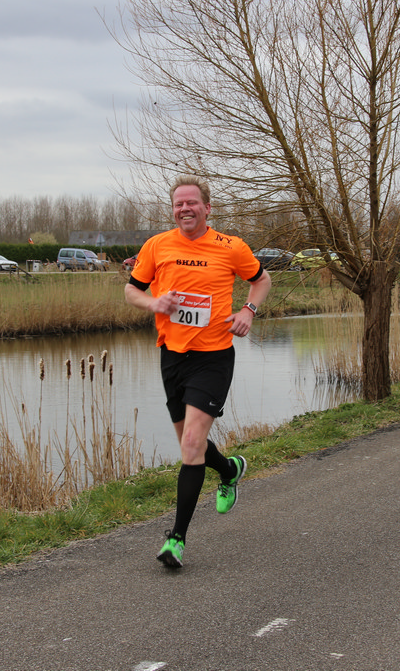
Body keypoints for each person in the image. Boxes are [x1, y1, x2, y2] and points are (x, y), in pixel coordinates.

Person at [125, 174, 272, 569]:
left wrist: (248, 311)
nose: (185, 209)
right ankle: (229, 469)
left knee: (191, 443)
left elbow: (261, 279)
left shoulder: (231, 247)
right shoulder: (157, 245)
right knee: (192, 447)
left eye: (191, 203)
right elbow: (131, 290)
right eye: (178, 204)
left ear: (207, 208)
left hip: (213, 357)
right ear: (173, 210)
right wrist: (154, 303)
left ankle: (176, 540)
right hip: (172, 356)